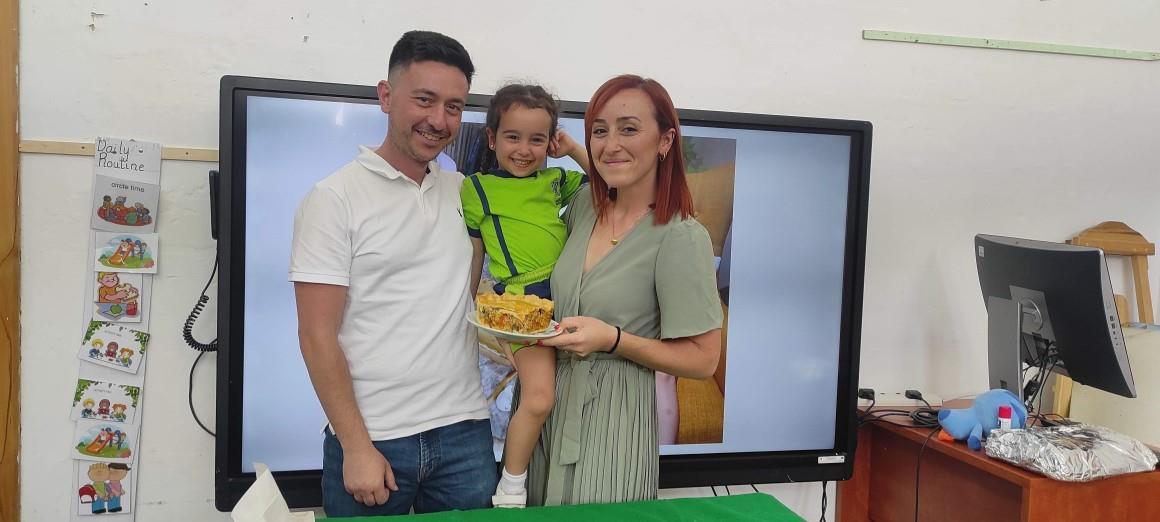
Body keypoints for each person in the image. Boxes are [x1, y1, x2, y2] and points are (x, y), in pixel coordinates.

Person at [290, 30, 496, 517]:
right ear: (386, 96)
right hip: (374, 437)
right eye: (424, 100)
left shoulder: (465, 192)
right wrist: (356, 445)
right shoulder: (333, 198)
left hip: (465, 433)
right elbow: (316, 335)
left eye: (453, 106)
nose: (438, 120)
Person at [529, 75, 723, 506]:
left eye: (629, 129)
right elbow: (603, 171)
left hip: (616, 418)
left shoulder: (680, 236)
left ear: (665, 141)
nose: (611, 144)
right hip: (548, 409)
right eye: (599, 131)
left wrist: (614, 339)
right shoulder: (584, 207)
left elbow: (703, 359)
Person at [459, 84, 589, 508]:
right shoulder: (477, 188)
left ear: (550, 142)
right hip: (521, 302)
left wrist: (572, 149)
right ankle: (511, 486)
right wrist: (472, 311)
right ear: (492, 138)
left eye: (537, 139)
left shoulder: (556, 180)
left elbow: (610, 185)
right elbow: (474, 254)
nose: (523, 149)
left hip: (569, 291)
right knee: (539, 396)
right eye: (512, 136)